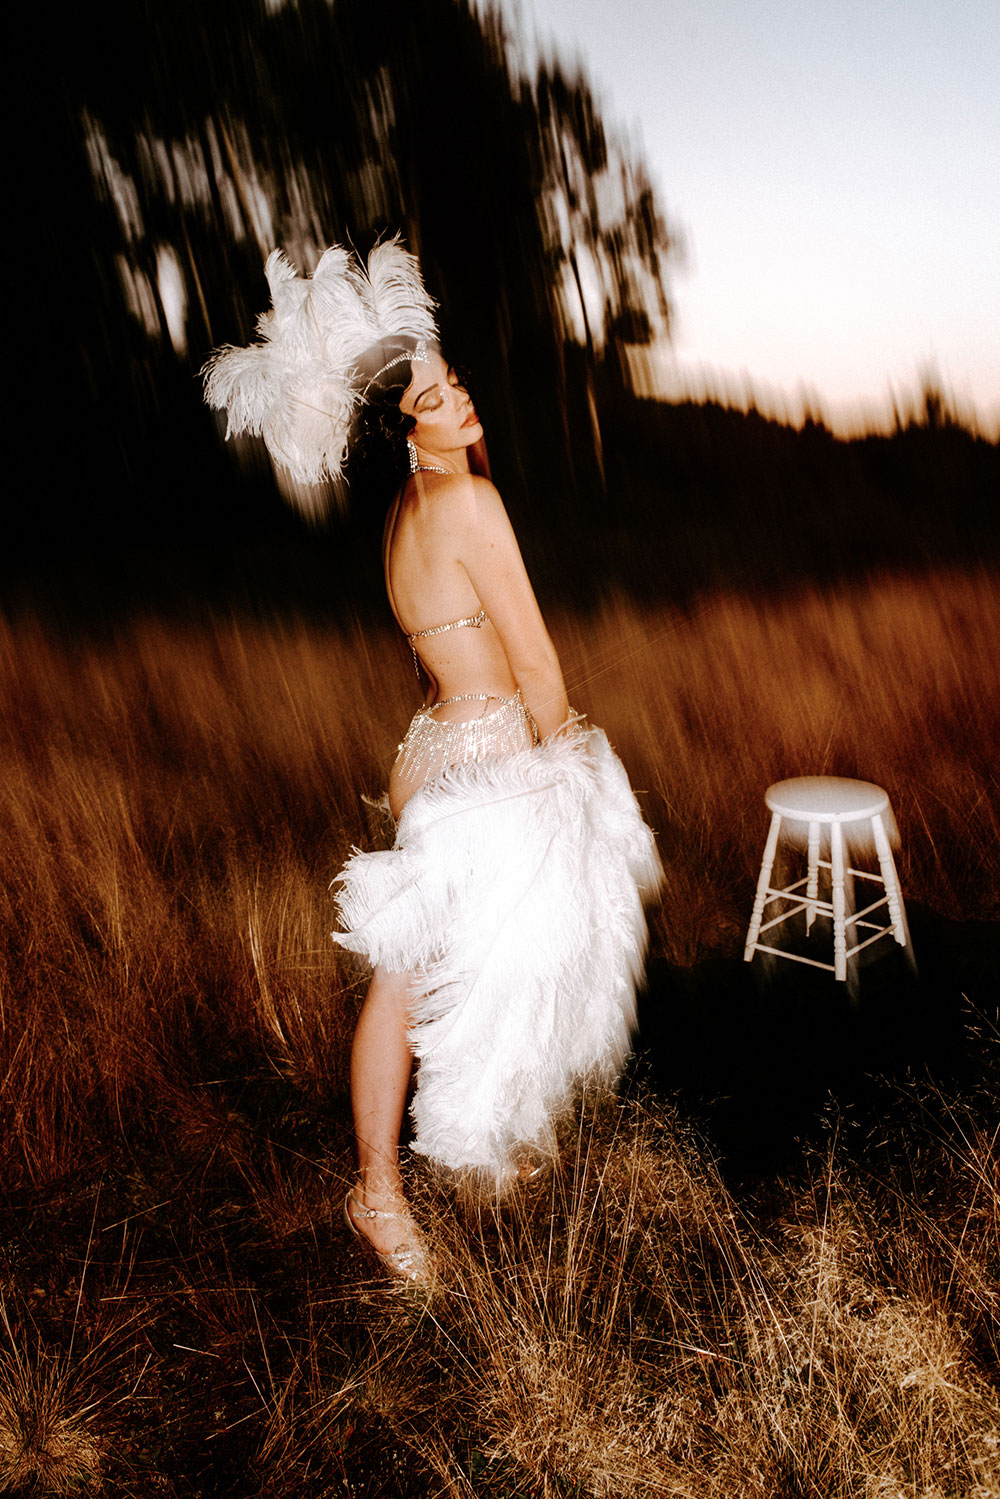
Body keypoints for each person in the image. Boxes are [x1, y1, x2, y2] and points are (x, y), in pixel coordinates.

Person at [204, 240, 661, 1283]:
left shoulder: (404, 516)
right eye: (435, 396)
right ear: (403, 426)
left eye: (453, 383)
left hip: (434, 755)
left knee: (432, 972)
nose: (457, 399)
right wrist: (573, 775)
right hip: (489, 763)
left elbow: (443, 657)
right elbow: (537, 664)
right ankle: (377, 1190)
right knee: (474, 965)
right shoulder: (468, 503)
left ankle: (437, 1162)